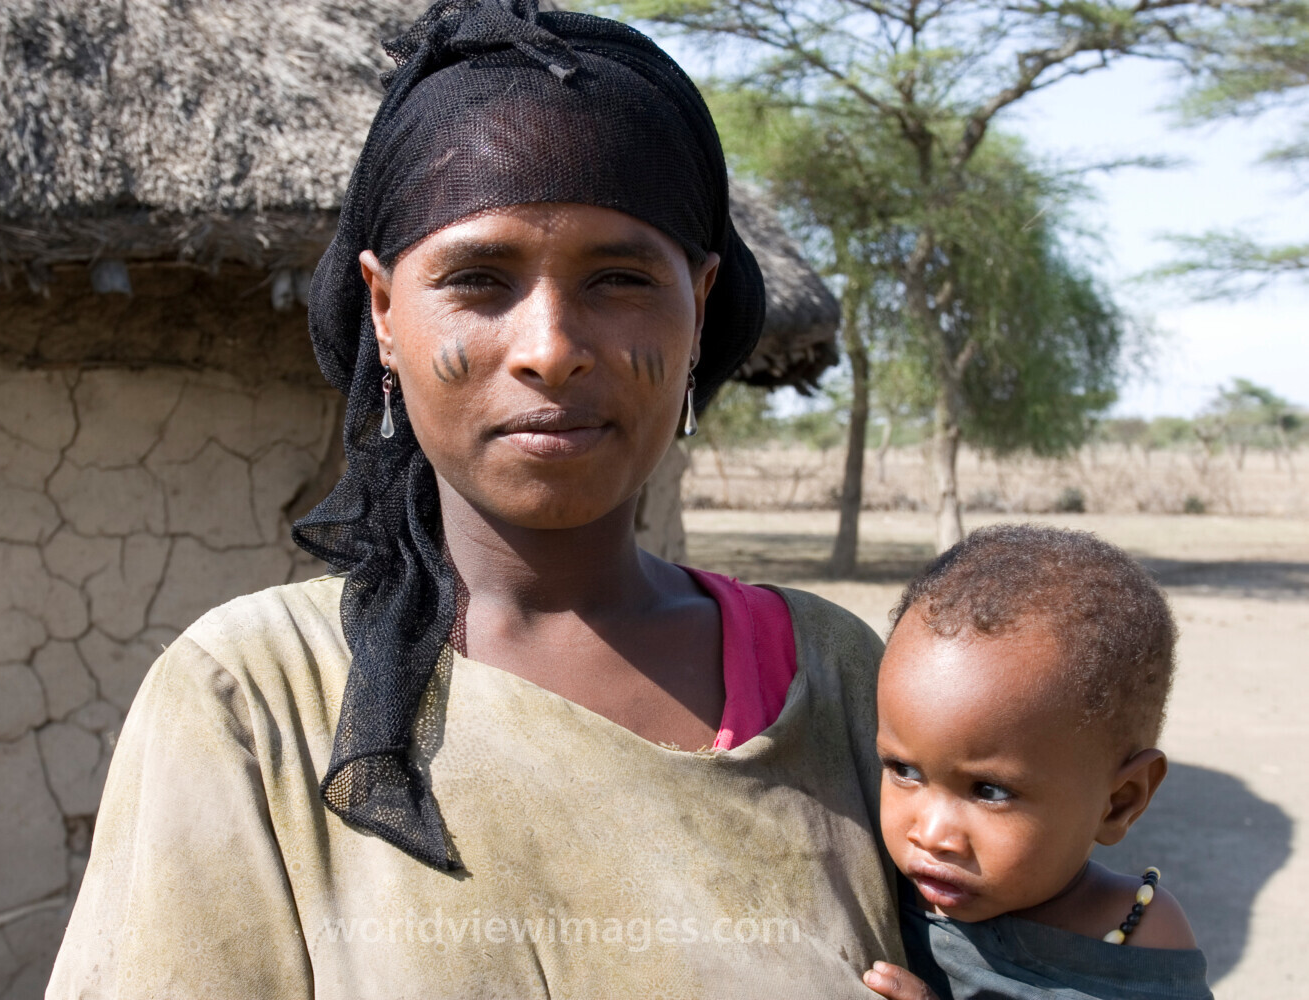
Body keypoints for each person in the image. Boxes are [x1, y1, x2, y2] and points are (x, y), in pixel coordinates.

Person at [44, 0, 904, 996]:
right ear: (385, 312)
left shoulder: (839, 682)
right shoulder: (256, 697)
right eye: (481, 278)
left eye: (621, 277)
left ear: (700, 306)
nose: (551, 347)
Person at [859, 525, 1214, 1000]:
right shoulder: (873, 884)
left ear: (1119, 802)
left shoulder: (1144, 939)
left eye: (989, 790)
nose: (930, 835)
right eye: (904, 770)